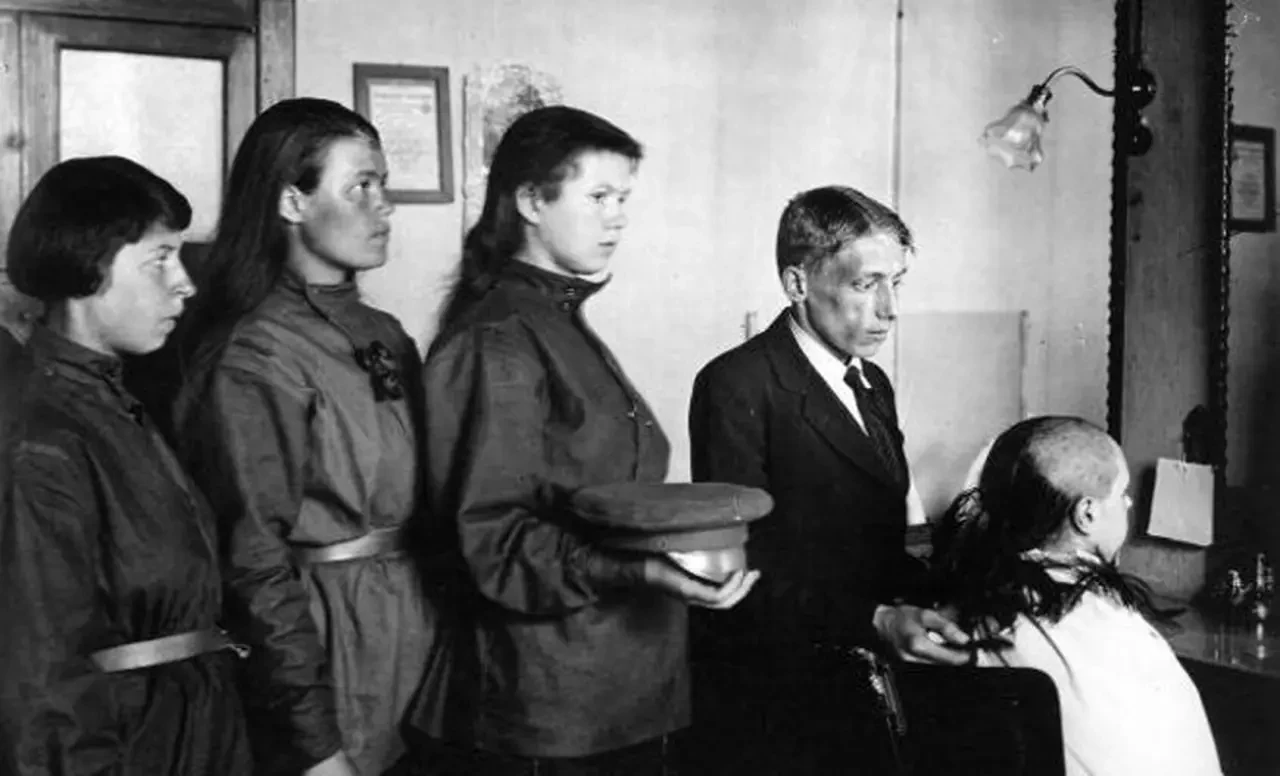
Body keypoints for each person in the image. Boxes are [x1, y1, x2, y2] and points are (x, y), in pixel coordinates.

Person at [422, 105, 758, 775]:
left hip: (618, 691)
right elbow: (491, 540)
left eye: (623, 198)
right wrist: (641, 570)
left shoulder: (553, 318)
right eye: (598, 196)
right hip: (547, 707)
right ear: (530, 202)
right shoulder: (499, 338)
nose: (618, 217)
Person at [172, 98, 449, 776]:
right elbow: (253, 563)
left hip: (415, 634)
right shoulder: (256, 353)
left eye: (383, 184)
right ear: (291, 201)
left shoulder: (385, 335)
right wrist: (315, 742)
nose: (384, 206)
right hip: (329, 650)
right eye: (361, 186)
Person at [685, 185, 970, 773]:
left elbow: (875, 542)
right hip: (779, 695)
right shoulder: (736, 385)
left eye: (896, 283)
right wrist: (876, 618)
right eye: (865, 284)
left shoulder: (871, 384)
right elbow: (740, 572)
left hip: (858, 678)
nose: (889, 309)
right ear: (797, 283)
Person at [0, 156, 251, 775]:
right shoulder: (43, 439)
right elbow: (46, 691)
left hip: (188, 733)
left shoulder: (116, 400)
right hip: (138, 745)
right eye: (160, 259)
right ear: (89, 268)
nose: (185, 283)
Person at [928, 415, 1222, 775]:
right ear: (1087, 514)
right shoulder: (1112, 626)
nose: (1129, 504)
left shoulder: (959, 613)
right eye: (1122, 494)